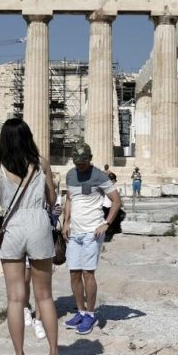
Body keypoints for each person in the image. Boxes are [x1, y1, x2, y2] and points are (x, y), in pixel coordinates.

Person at [0, 118, 60, 355]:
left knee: (16, 298)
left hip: (13, 226)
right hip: (38, 224)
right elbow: (52, 199)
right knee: (45, 296)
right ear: (28, 137)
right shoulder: (41, 165)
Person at [62, 142, 122, 335]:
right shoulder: (70, 175)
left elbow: (116, 201)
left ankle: (90, 313)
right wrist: (65, 222)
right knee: (74, 273)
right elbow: (70, 199)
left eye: (83, 162)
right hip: (74, 232)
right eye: (77, 162)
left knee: (88, 273)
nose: (80, 166)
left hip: (92, 231)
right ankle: (80, 311)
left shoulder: (99, 176)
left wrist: (106, 223)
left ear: (90, 158)